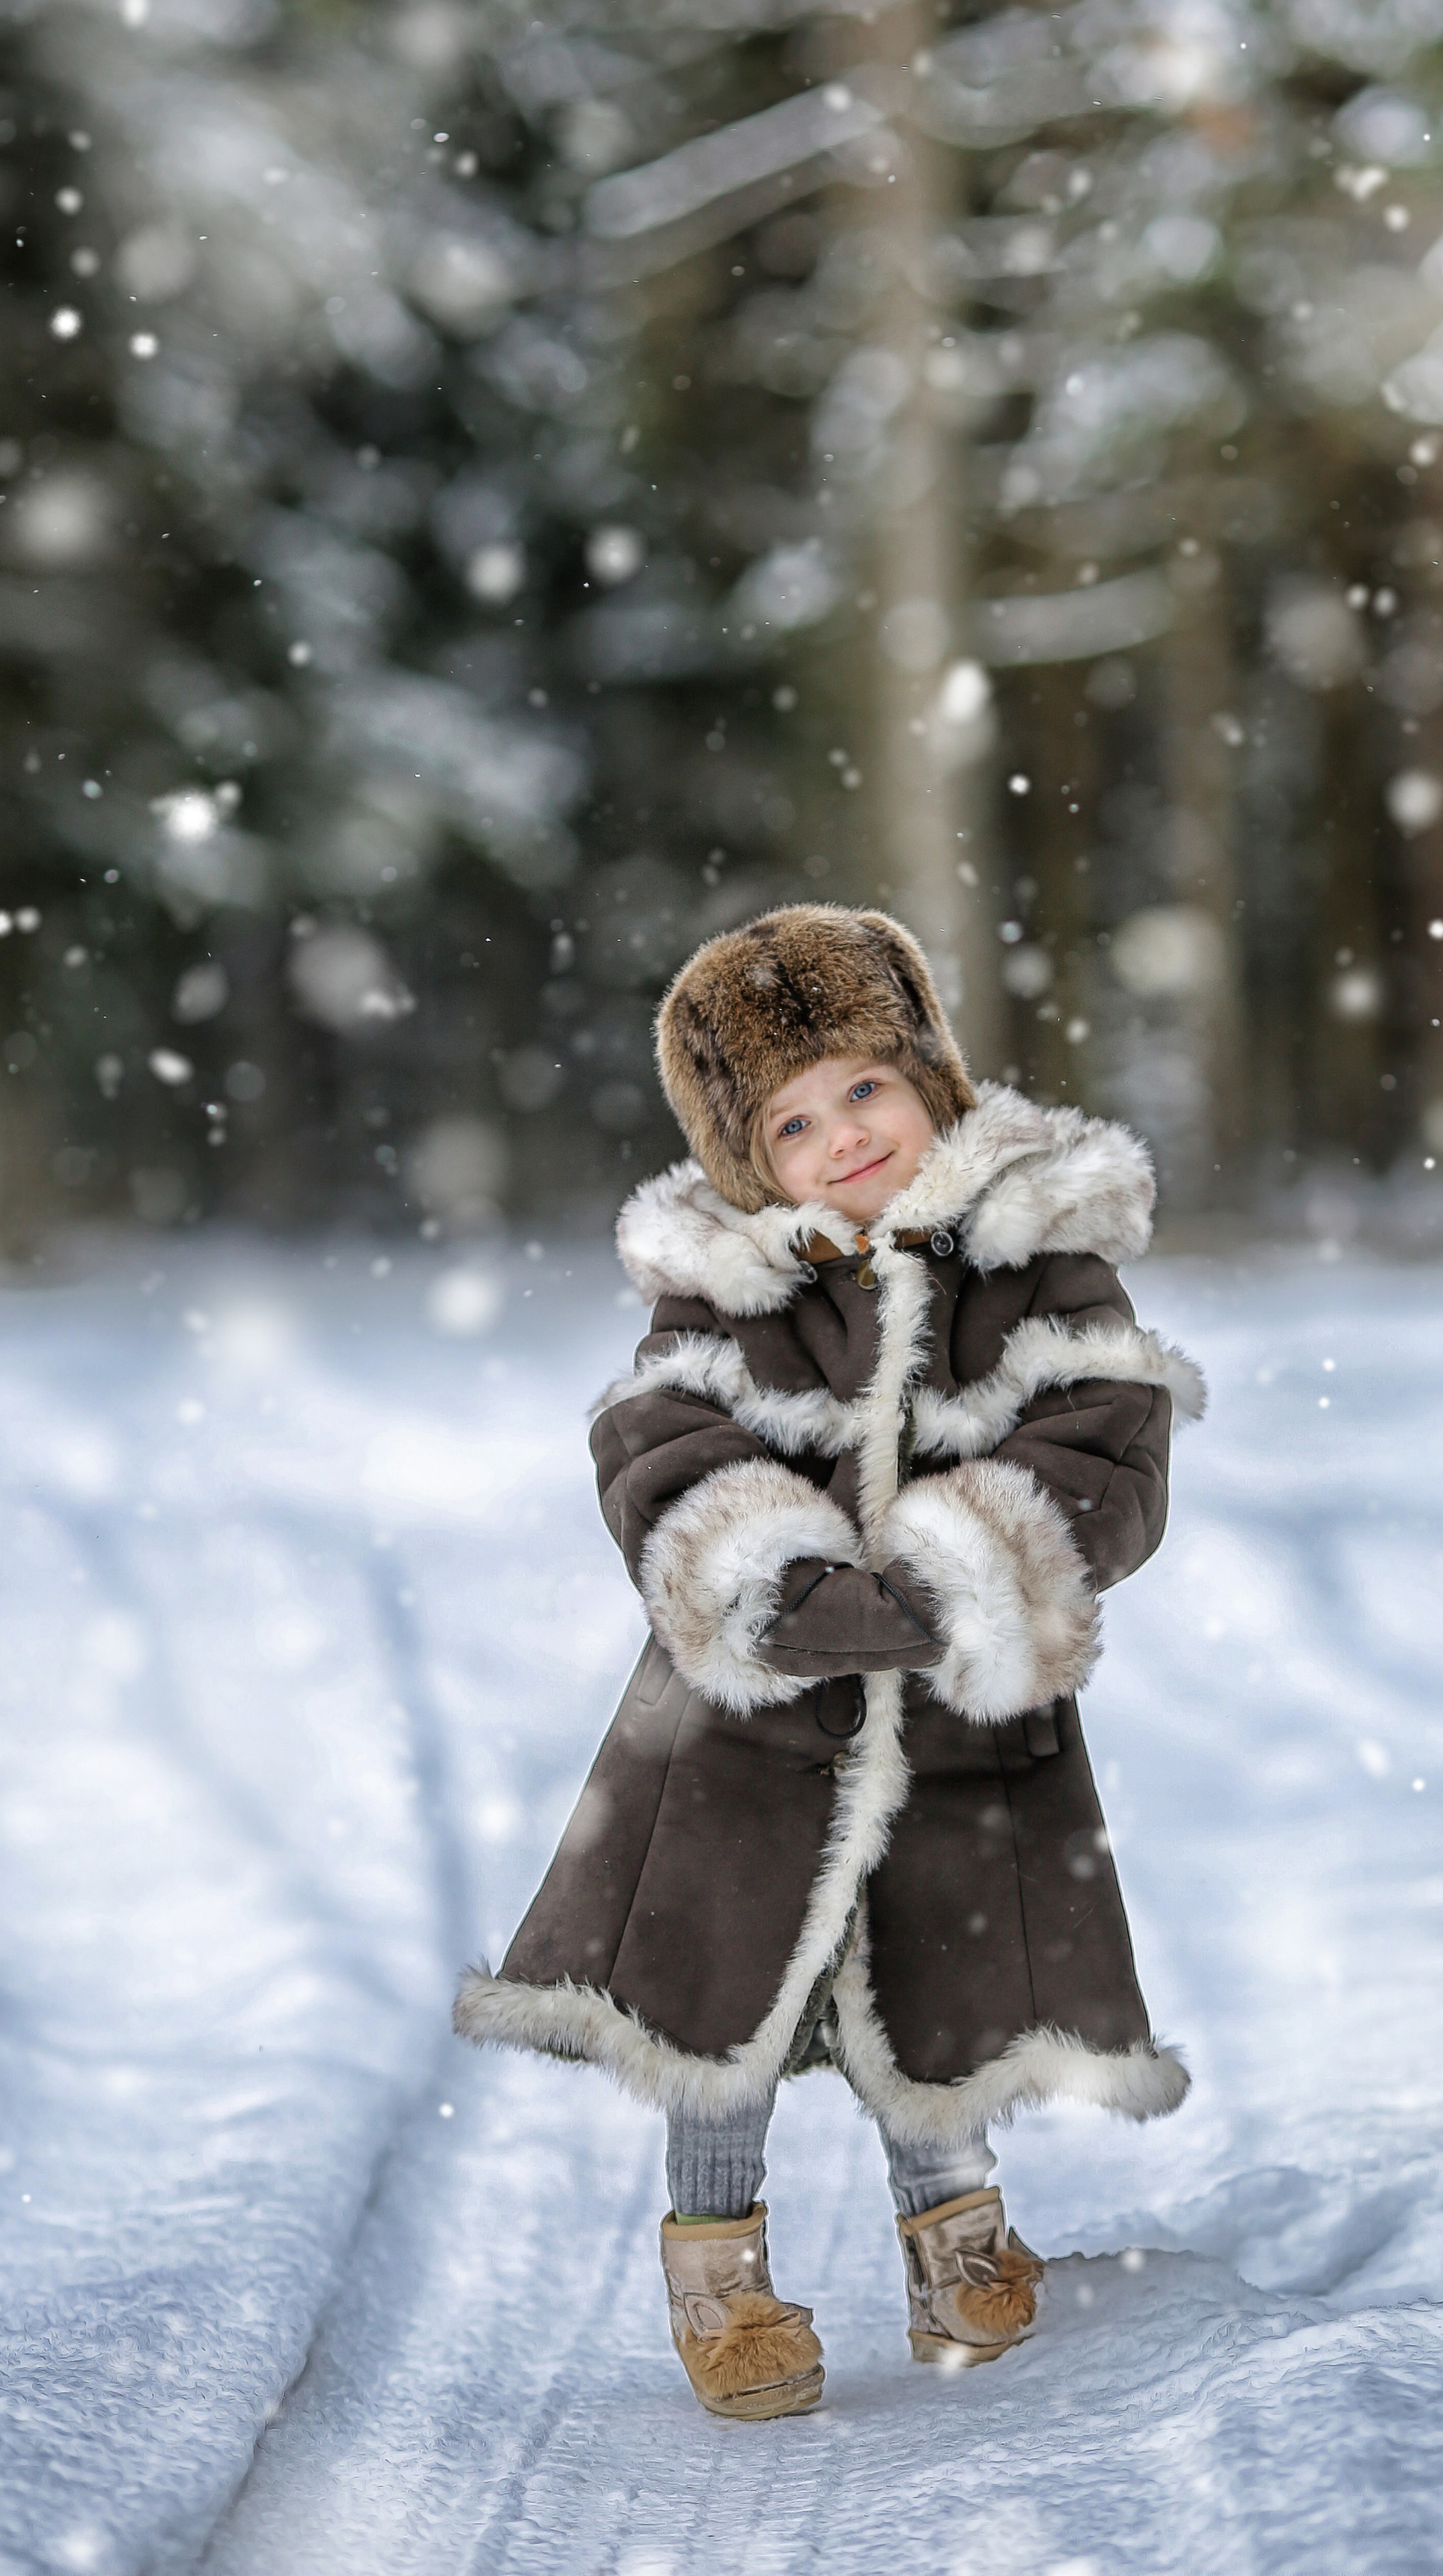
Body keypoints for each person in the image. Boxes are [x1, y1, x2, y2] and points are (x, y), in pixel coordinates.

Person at [455, 904, 1203, 2420]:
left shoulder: (1035, 1260)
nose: (841, 1135)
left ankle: (954, 2230)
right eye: (790, 1122)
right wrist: (773, 1582)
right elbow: (659, 1450)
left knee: (936, 1981)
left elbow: (1103, 1451)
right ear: (748, 1163)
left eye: (863, 1086)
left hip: (954, 1724)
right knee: (720, 2012)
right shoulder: (723, 1289)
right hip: (741, 1733)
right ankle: (718, 2271)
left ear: (930, 1072)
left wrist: (961, 1568)